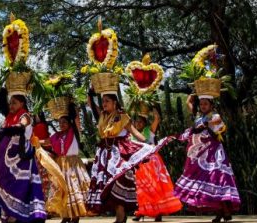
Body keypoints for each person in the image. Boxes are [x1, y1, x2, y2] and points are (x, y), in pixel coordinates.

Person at [85, 94, 176, 223]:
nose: (104, 104)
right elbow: (92, 105)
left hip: (119, 153)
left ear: (115, 102)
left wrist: (148, 145)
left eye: (107, 101)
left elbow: (135, 133)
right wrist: (90, 92)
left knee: (116, 180)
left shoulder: (123, 117)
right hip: (104, 154)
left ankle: (121, 215)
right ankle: (120, 215)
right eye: (103, 101)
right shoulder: (103, 116)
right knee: (107, 184)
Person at [0, 89, 47, 222]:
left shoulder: (25, 116)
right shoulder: (9, 117)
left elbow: (21, 126)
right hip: (9, 157)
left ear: (22, 103)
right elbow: (6, 126)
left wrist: (11, 129)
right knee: (7, 183)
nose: (11, 106)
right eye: (10, 103)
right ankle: (11, 213)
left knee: (22, 186)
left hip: (22, 157)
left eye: (14, 103)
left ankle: (21, 215)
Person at [174, 95, 241, 222]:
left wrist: (206, 125)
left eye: (206, 104)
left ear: (211, 105)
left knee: (216, 179)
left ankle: (225, 211)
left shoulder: (214, 116)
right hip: (202, 153)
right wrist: (194, 93)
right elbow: (189, 103)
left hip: (214, 152)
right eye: (201, 104)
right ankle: (221, 212)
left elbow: (218, 127)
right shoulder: (199, 118)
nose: (203, 106)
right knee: (210, 182)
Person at [132, 107, 177, 222]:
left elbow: (157, 118)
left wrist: (151, 106)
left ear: (145, 122)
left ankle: (158, 212)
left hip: (152, 163)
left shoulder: (149, 130)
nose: (138, 123)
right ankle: (140, 211)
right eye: (136, 121)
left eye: (140, 121)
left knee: (155, 187)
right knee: (140, 188)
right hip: (139, 164)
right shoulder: (132, 134)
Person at [47, 111, 89, 223]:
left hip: (73, 164)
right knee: (63, 190)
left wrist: (72, 108)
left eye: (64, 122)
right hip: (61, 165)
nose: (62, 124)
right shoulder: (57, 136)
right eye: (60, 123)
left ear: (70, 123)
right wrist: (34, 141)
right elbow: (47, 142)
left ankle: (75, 216)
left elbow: (77, 121)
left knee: (73, 188)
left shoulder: (74, 132)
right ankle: (65, 215)